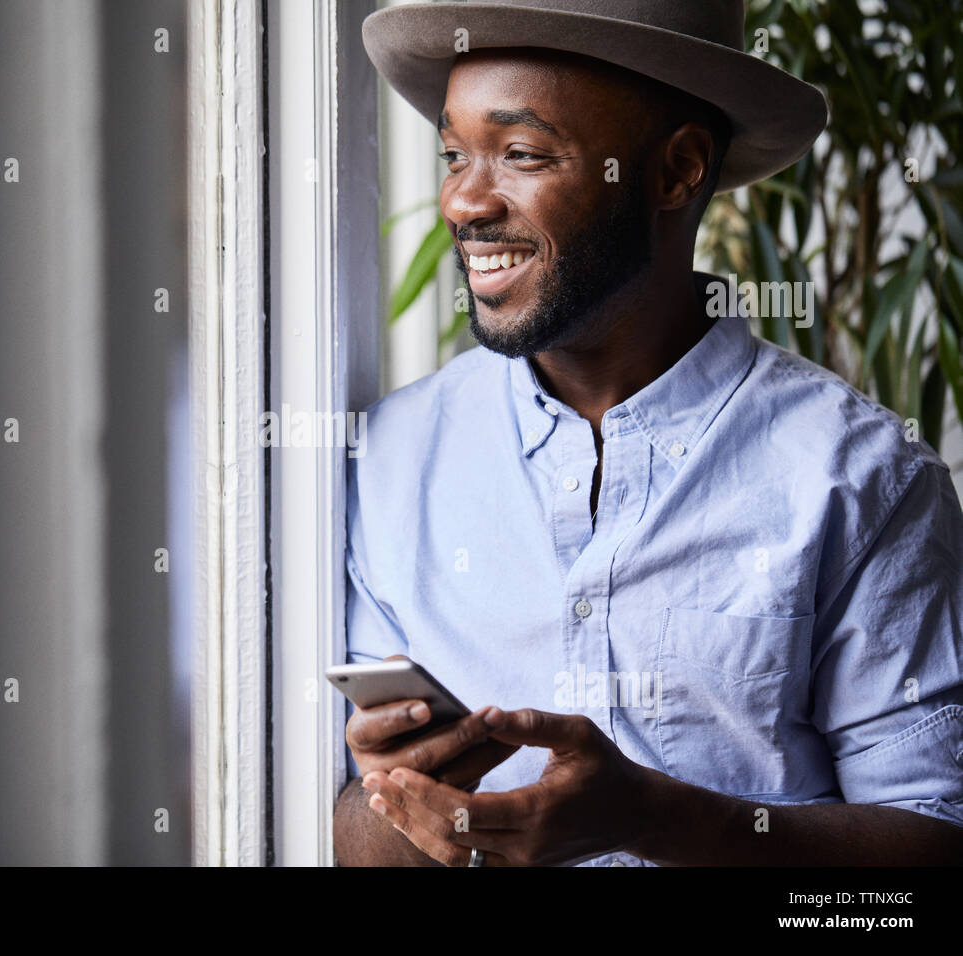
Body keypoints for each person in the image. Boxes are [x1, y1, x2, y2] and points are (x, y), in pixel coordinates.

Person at [336, 0, 963, 866]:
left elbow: (924, 865)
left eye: (520, 154)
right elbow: (355, 838)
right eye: (454, 153)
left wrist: (652, 819)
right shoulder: (391, 458)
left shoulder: (863, 480)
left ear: (674, 172)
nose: (462, 200)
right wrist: (396, 801)